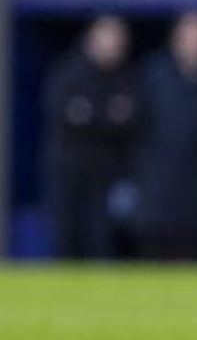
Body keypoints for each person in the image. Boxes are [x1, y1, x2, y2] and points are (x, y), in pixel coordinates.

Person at [43, 15, 138, 261]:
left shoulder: (124, 77)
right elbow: (64, 114)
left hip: (105, 170)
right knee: (67, 234)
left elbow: (129, 119)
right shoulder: (69, 72)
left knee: (100, 237)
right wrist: (105, 117)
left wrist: (91, 116)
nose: (114, 45)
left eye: (118, 40)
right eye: (108, 37)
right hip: (68, 168)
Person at [134, 11, 197, 260]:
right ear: (177, 37)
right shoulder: (154, 75)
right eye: (190, 34)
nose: (195, 41)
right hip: (158, 190)